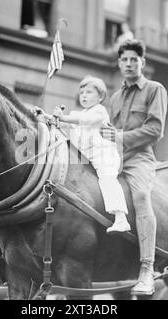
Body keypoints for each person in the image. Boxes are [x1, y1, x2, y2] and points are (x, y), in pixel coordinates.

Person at [101, 39, 168, 295]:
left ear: (143, 63)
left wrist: (119, 138)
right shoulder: (115, 97)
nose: (129, 64)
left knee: (140, 196)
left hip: (140, 158)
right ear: (119, 63)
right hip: (113, 158)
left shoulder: (154, 89)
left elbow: (155, 130)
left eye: (134, 60)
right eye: (124, 60)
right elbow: (108, 130)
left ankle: (147, 269)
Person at [53, 76, 131, 233]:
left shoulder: (99, 112)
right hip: (88, 158)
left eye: (89, 92)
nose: (84, 95)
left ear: (100, 97)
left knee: (107, 179)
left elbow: (84, 120)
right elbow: (67, 124)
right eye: (81, 92)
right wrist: (50, 118)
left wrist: (64, 117)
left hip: (104, 156)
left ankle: (121, 218)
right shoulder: (80, 114)